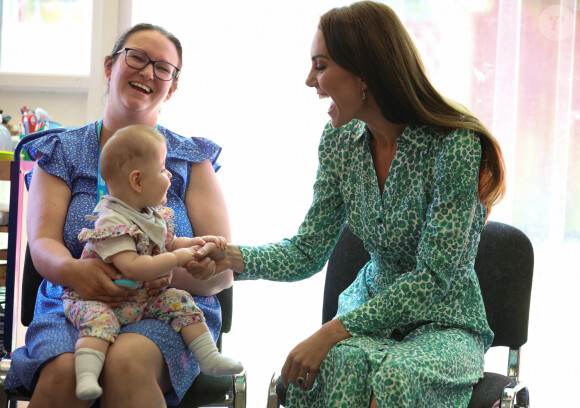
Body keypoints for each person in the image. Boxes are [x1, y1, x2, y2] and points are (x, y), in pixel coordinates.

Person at [203, 2, 506, 407]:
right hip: (364, 315)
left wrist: (330, 331)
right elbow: (307, 250)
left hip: (444, 323)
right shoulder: (339, 142)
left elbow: (433, 279)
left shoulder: (455, 146)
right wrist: (230, 257)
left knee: (394, 376)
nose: (310, 79)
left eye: (320, 65)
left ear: (365, 73)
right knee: (337, 365)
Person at [5, 23, 234, 407]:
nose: (148, 72)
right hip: (75, 299)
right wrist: (76, 272)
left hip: (167, 306)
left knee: (127, 362)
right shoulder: (60, 150)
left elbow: (223, 269)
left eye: (163, 68)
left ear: (172, 87)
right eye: (137, 58)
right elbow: (42, 242)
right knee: (64, 371)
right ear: (110, 66)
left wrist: (158, 271)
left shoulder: (191, 159)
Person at [63, 125, 243, 400]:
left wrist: (194, 243)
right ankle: (87, 375)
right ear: (137, 181)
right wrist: (178, 259)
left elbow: (166, 244)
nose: (169, 174)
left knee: (180, 301)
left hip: (141, 298)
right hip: (104, 299)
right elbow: (134, 267)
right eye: (162, 169)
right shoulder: (113, 220)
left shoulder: (149, 213)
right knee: (99, 323)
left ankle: (209, 357)